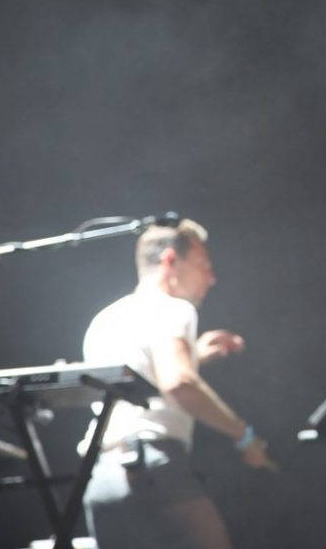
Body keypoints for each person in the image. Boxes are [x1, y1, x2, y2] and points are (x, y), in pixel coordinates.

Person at [80, 218, 276, 549]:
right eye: (203, 265)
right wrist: (245, 436)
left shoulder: (106, 319)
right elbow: (179, 383)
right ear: (170, 260)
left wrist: (195, 354)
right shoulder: (173, 310)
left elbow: (143, 380)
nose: (211, 279)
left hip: (102, 477)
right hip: (155, 470)